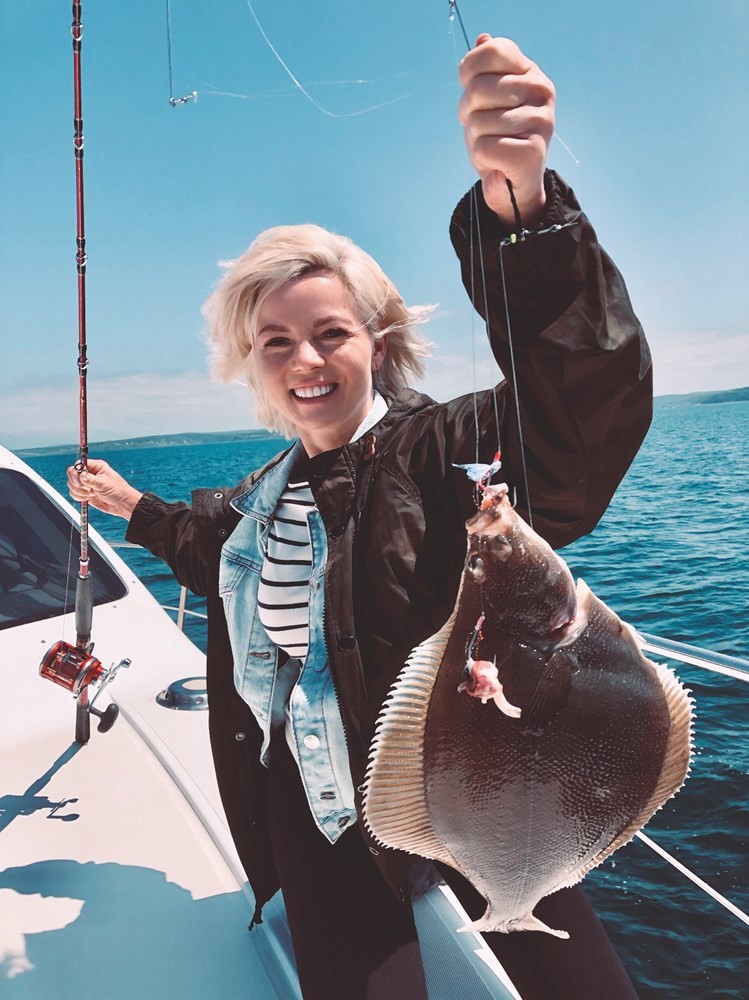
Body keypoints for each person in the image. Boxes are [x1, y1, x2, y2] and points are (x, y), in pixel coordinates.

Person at [68, 35, 650, 1000]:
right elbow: (203, 548)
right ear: (249, 365)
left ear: (377, 343)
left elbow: (578, 413)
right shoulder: (259, 500)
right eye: (275, 342)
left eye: (330, 332)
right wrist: (132, 506)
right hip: (316, 822)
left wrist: (524, 216)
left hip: (479, 794)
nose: (304, 360)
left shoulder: (445, 451)